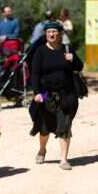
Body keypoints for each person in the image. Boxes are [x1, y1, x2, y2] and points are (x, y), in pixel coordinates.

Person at [28, 21, 84, 170]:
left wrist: (74, 60)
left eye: (54, 32)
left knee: (64, 126)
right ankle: (42, 150)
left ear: (60, 34)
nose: (51, 34)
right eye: (49, 32)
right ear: (46, 34)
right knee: (44, 127)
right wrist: (37, 93)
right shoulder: (40, 51)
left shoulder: (67, 49)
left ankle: (64, 159)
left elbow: (79, 67)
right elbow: (34, 74)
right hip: (46, 94)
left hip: (66, 94)